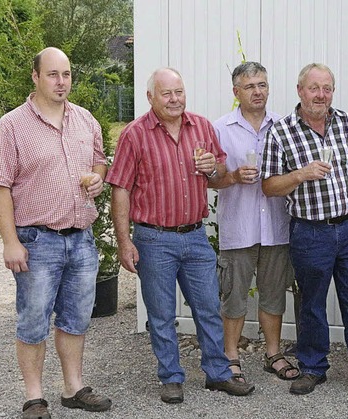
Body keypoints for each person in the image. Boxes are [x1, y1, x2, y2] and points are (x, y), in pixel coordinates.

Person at [107, 67, 255, 403]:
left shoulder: (201, 126)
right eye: (166, 93)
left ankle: (218, 373)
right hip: (154, 238)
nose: (175, 100)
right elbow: (120, 189)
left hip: (195, 236)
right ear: (150, 97)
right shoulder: (134, 134)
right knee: (161, 314)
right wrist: (123, 240)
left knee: (207, 307)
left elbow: (218, 175)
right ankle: (171, 377)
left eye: (179, 92)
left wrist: (213, 169)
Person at [0, 47, 112, 419]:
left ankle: (73, 389)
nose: (62, 82)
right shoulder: (12, 126)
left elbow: (99, 161)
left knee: (76, 319)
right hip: (37, 241)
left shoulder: (85, 119)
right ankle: (34, 398)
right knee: (33, 322)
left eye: (67, 74)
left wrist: (97, 179)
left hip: (82, 240)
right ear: (36, 77)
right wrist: (10, 242)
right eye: (54, 74)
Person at [261, 63, 348, 400]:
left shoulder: (347, 122)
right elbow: (270, 186)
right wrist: (300, 175)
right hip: (310, 232)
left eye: (327, 88)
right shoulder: (282, 131)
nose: (321, 94)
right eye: (314, 88)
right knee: (312, 303)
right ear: (300, 90)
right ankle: (313, 367)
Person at [211, 62, 299, 382]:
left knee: (273, 294)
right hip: (238, 226)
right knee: (234, 295)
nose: (257, 91)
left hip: (277, 225)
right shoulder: (220, 129)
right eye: (249, 86)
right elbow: (209, 179)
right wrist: (233, 177)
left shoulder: (285, 126)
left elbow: (295, 172)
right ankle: (231, 356)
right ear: (236, 92)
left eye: (262, 84)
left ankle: (273, 354)